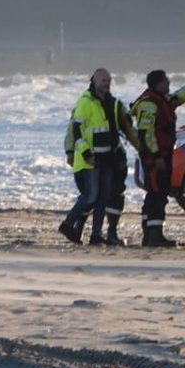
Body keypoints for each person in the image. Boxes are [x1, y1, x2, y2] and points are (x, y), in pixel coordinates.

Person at [60, 68, 138, 246]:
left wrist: (143, 149)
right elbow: (75, 129)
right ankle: (67, 225)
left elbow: (127, 130)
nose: (107, 83)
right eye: (103, 80)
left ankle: (96, 235)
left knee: (102, 198)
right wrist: (73, 152)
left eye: (109, 80)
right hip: (90, 159)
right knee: (90, 196)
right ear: (94, 81)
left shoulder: (114, 104)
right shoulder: (85, 102)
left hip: (108, 158)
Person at [132, 68, 185, 247]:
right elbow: (146, 134)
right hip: (154, 157)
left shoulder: (162, 100)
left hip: (161, 155)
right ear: (157, 83)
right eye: (165, 80)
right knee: (157, 193)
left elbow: (179, 97)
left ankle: (150, 234)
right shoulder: (149, 105)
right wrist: (156, 157)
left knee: (156, 194)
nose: (169, 83)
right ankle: (153, 235)